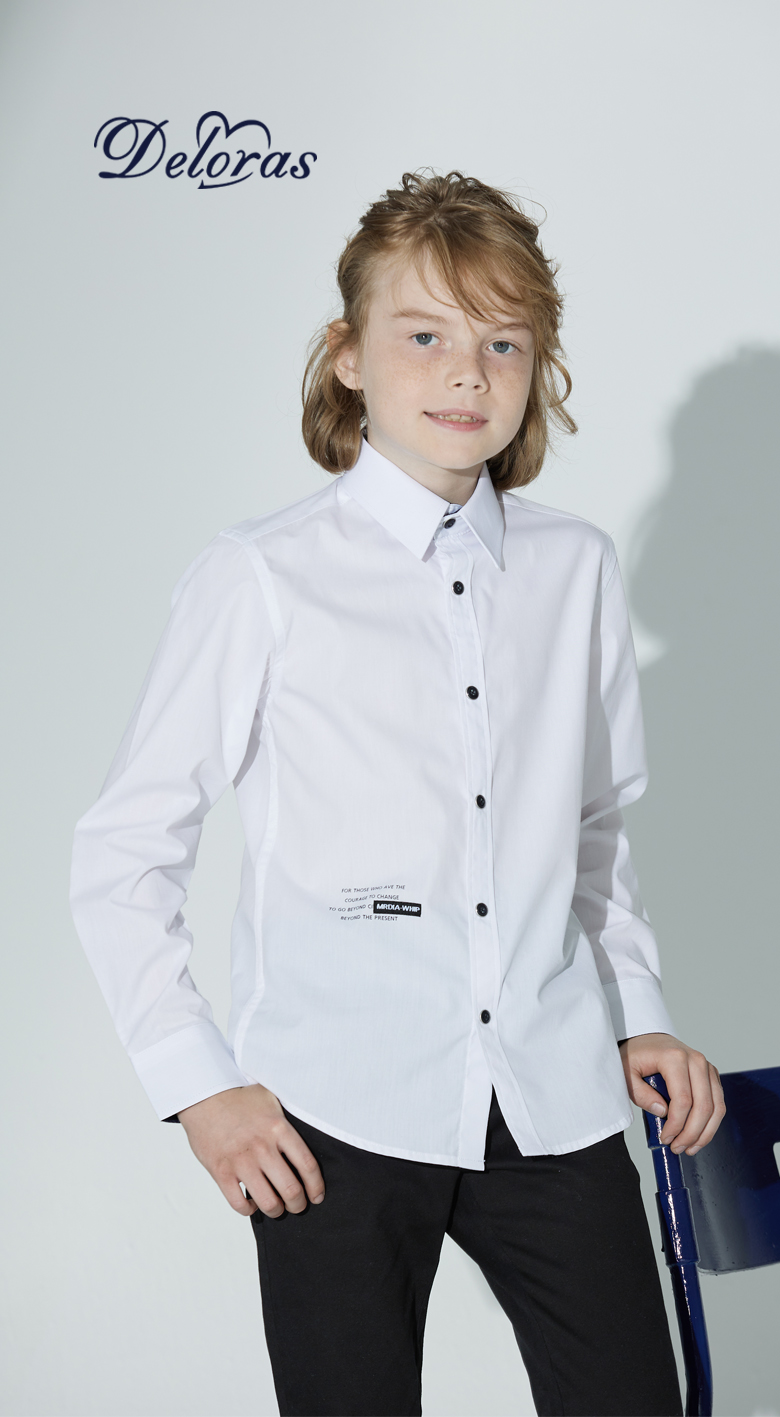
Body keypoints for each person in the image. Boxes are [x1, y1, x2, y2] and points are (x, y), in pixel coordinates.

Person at [70, 169, 725, 1417]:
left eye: (503, 342)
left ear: (537, 368)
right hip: (332, 1114)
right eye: (424, 335)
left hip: (552, 1096)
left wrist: (638, 1012)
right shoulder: (261, 576)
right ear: (348, 356)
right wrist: (197, 1083)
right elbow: (124, 849)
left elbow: (592, 832)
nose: (466, 373)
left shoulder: (574, 570)